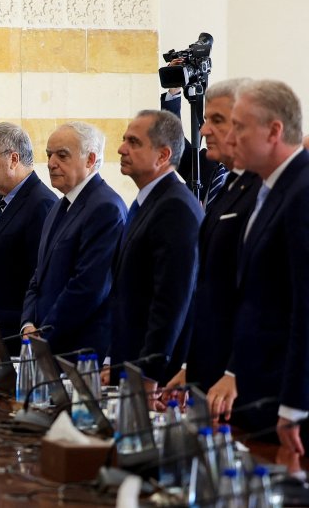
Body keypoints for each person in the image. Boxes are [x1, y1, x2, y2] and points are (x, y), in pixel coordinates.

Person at [205, 80, 309, 461]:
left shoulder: (302, 189)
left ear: (274, 131)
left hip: (283, 396)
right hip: (255, 389)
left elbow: (304, 307)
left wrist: (295, 405)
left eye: (239, 126)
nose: (231, 137)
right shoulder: (269, 188)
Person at [164, 79, 260, 398]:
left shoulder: (266, 192)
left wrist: (235, 369)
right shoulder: (229, 186)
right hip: (210, 371)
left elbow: (261, 300)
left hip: (245, 381)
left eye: (215, 120)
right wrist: (192, 365)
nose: (203, 130)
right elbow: (208, 293)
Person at [108, 110, 203, 383]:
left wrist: (148, 374)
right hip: (132, 363)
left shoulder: (175, 207)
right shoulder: (147, 202)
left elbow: (171, 302)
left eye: (134, 142)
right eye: (125, 139)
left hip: (158, 378)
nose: (121, 148)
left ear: (163, 156)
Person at [21, 122, 125, 357]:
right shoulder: (59, 205)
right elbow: (39, 275)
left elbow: (89, 287)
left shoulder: (106, 207)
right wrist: (28, 324)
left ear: (90, 159)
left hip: (80, 351)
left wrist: (44, 334)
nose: (50, 163)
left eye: (62, 155)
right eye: (49, 155)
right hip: (46, 345)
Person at [0, 122, 57, 353]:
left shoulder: (42, 204)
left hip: (16, 340)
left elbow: (40, 280)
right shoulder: (1, 200)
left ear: (13, 159)